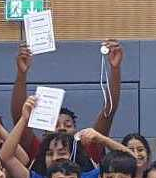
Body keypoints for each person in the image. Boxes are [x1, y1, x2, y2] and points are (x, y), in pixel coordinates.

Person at [10, 40, 125, 171]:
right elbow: (19, 118)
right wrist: (21, 74)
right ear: (45, 132)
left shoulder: (87, 149)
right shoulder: (38, 150)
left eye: (68, 125)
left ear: (76, 132)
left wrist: (115, 69)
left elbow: (108, 111)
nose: (62, 128)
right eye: (56, 125)